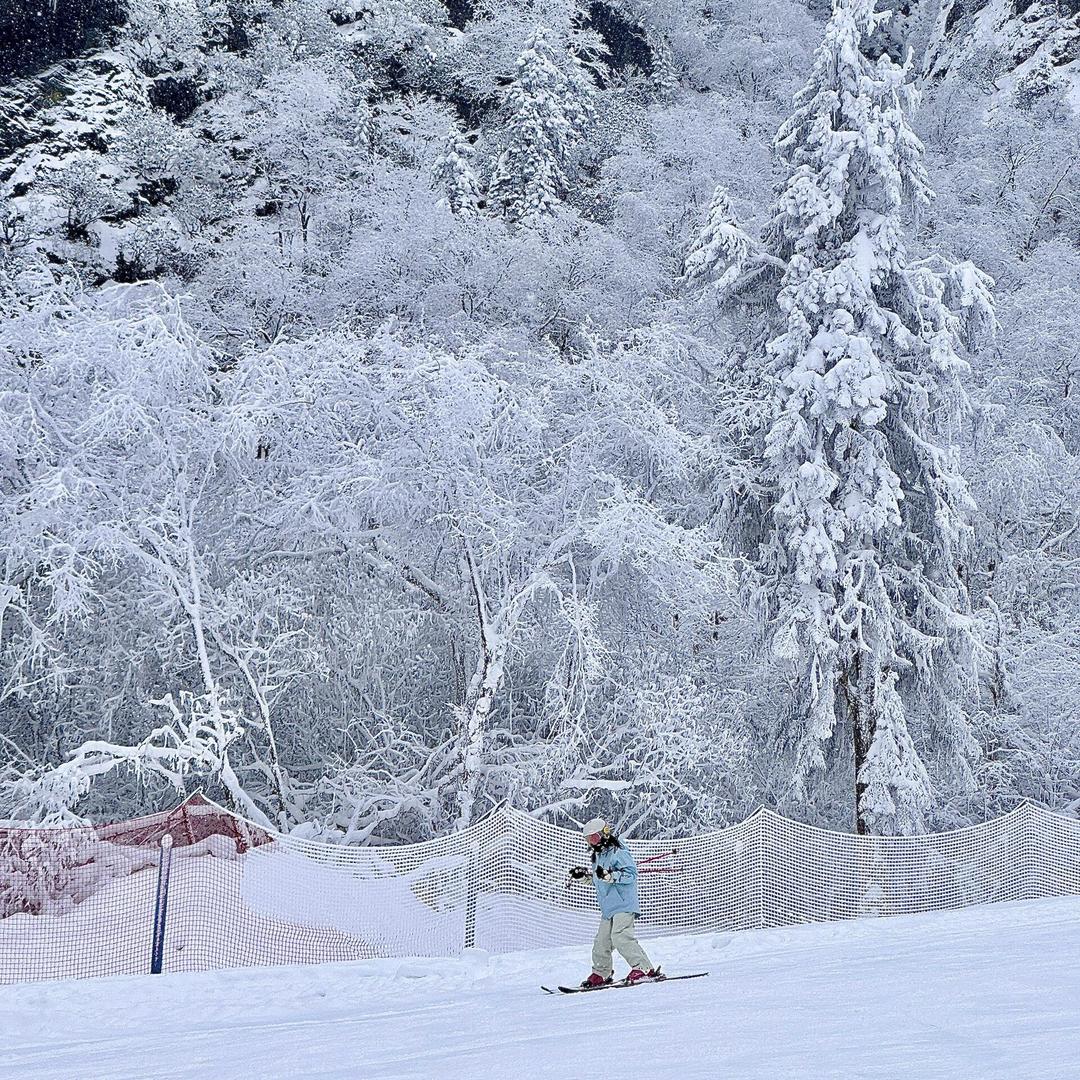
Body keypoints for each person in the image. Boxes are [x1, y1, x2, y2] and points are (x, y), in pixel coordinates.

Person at [569, 817, 658, 987]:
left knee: (620, 936)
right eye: (589, 839)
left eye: (594, 838)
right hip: (608, 907)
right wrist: (584, 877)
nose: (592, 843)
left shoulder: (619, 852)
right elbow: (599, 879)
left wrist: (612, 876)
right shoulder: (598, 856)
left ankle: (644, 969)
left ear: (605, 833)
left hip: (624, 904)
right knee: (602, 941)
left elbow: (631, 875)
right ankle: (601, 973)